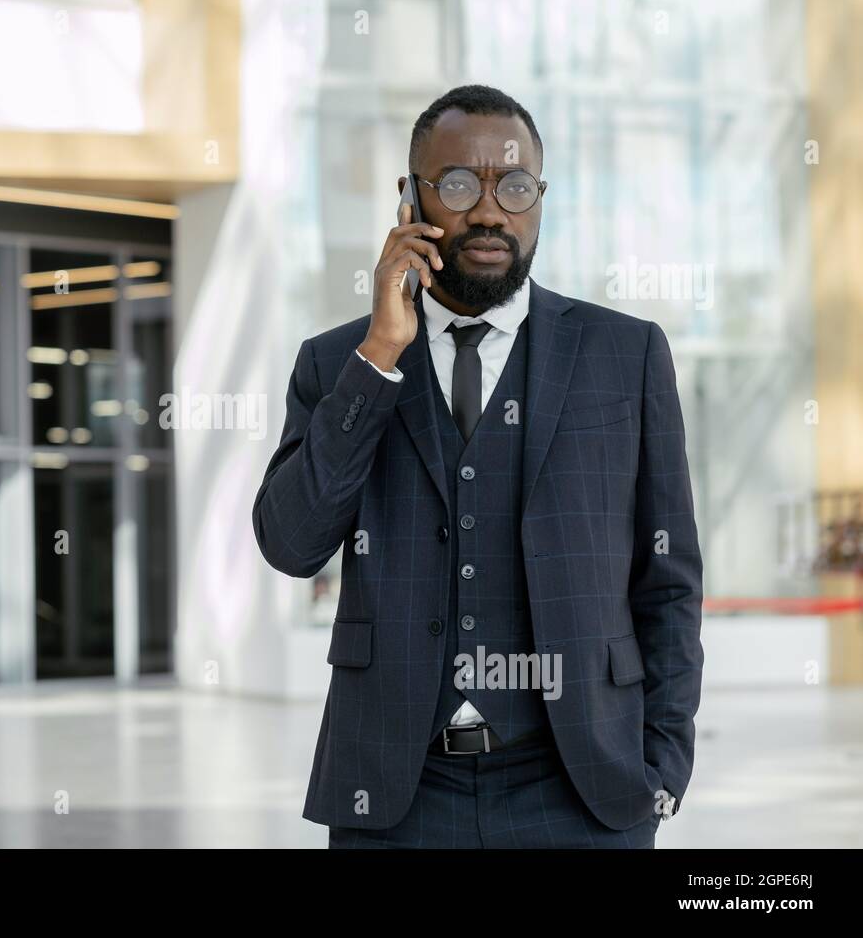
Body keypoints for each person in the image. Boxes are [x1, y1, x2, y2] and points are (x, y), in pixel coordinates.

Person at [252, 84, 703, 848]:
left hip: (582, 790)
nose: (491, 211)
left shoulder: (625, 355)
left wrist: (661, 767)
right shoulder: (338, 364)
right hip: (395, 793)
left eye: (516, 185)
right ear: (410, 199)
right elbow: (291, 545)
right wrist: (380, 355)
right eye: (459, 184)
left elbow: (669, 581)